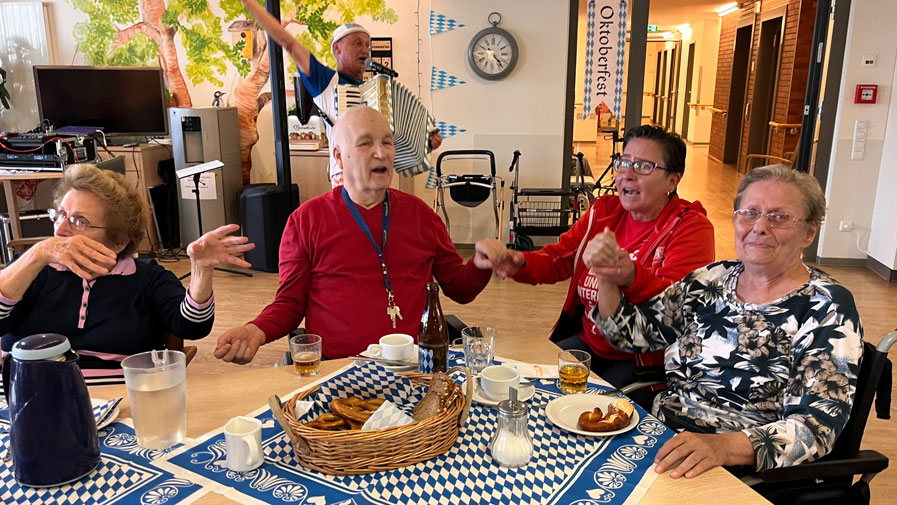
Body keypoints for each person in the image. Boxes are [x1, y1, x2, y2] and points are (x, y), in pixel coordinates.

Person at [591, 164, 863, 478]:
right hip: (663, 437)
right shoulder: (712, 278)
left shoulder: (827, 306)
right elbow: (635, 336)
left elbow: (813, 430)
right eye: (749, 213)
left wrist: (722, 447)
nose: (760, 227)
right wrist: (607, 277)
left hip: (742, 469)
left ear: (810, 232)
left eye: (779, 217)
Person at [214, 106, 493, 363]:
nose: (381, 153)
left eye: (387, 142)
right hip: (338, 371)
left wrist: (482, 263)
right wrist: (256, 330)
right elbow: (290, 303)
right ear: (338, 156)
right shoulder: (305, 221)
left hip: (414, 367)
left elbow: (459, 288)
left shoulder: (422, 216)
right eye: (365, 143)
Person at [476, 125, 715, 408]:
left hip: (640, 364)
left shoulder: (690, 227)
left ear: (672, 181)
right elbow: (560, 257)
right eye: (624, 162)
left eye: (643, 166)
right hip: (588, 344)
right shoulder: (605, 211)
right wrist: (517, 261)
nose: (627, 174)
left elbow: (677, 306)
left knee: (580, 412)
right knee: (526, 393)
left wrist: (630, 275)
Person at [0, 164, 254, 382]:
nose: (60, 230)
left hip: (118, 399)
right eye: (61, 215)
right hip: (24, 393)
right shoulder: (33, 267)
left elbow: (192, 326)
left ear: (118, 241)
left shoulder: (145, 278)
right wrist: (38, 254)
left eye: (80, 221)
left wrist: (201, 270)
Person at [239, 0, 442, 187]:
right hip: (346, 180)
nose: (365, 50)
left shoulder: (373, 93)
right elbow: (289, 43)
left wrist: (424, 145)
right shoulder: (327, 82)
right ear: (337, 48)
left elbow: (388, 146)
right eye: (357, 43)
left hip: (376, 178)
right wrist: (252, 6)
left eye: (367, 45)